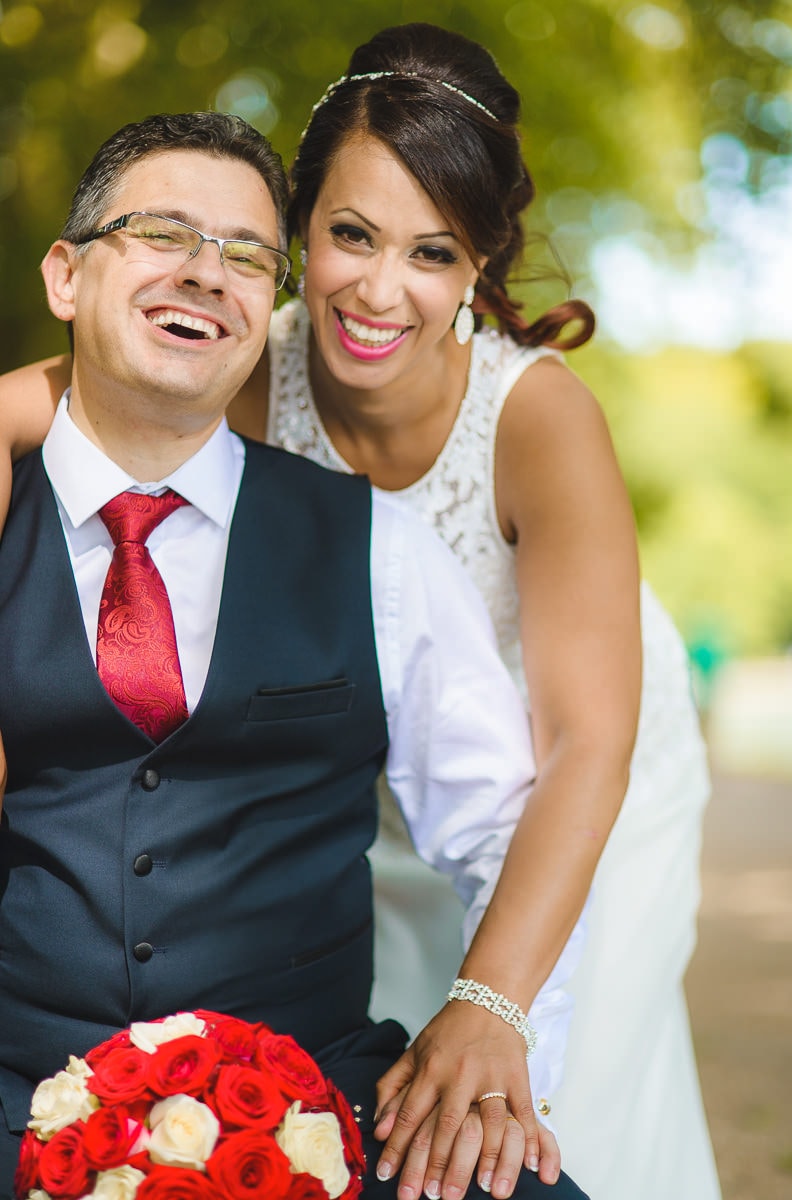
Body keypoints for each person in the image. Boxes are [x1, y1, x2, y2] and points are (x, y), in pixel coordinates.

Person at [0, 22, 720, 1200]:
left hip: (592, 768)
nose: (382, 289)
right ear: (301, 239)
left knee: (548, 1090)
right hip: (366, 770)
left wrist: (493, 1010)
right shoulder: (234, 350)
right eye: (349, 235)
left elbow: (588, 747)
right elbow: (97, 391)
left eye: (433, 253)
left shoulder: (535, 420)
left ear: (477, 271)